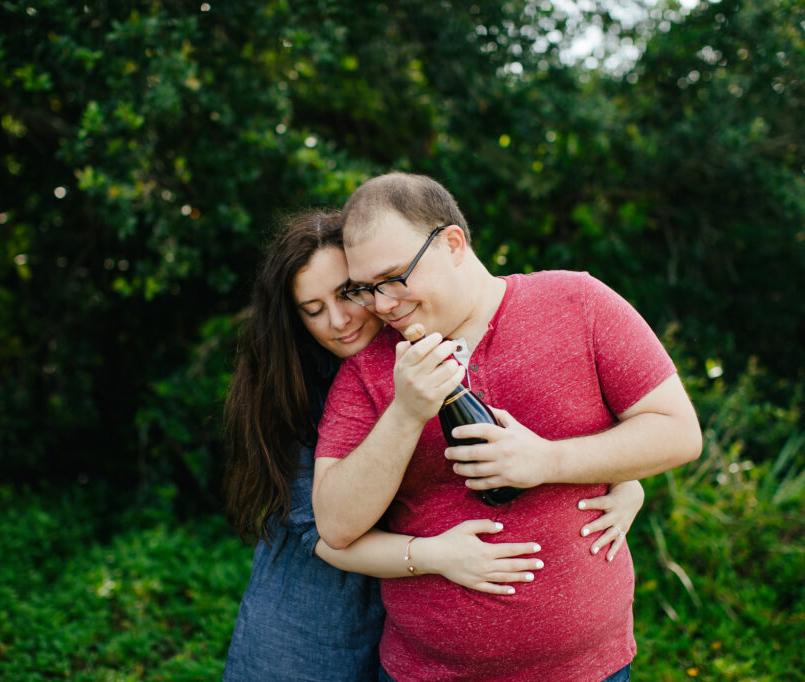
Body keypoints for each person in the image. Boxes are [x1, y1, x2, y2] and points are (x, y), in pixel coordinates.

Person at [220, 210, 645, 682]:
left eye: (348, 293)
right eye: (313, 309)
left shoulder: (425, 341)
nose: (338, 321)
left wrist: (622, 478)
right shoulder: (304, 391)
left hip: (406, 626)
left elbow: (553, 414)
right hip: (320, 614)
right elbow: (326, 535)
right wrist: (434, 555)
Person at [312, 173, 703, 681]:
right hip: (425, 672)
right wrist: (406, 412)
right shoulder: (368, 368)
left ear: (452, 243)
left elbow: (679, 433)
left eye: (394, 278)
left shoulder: (577, 301)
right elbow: (336, 526)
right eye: (367, 288)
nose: (382, 304)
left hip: (588, 670)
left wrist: (548, 460)